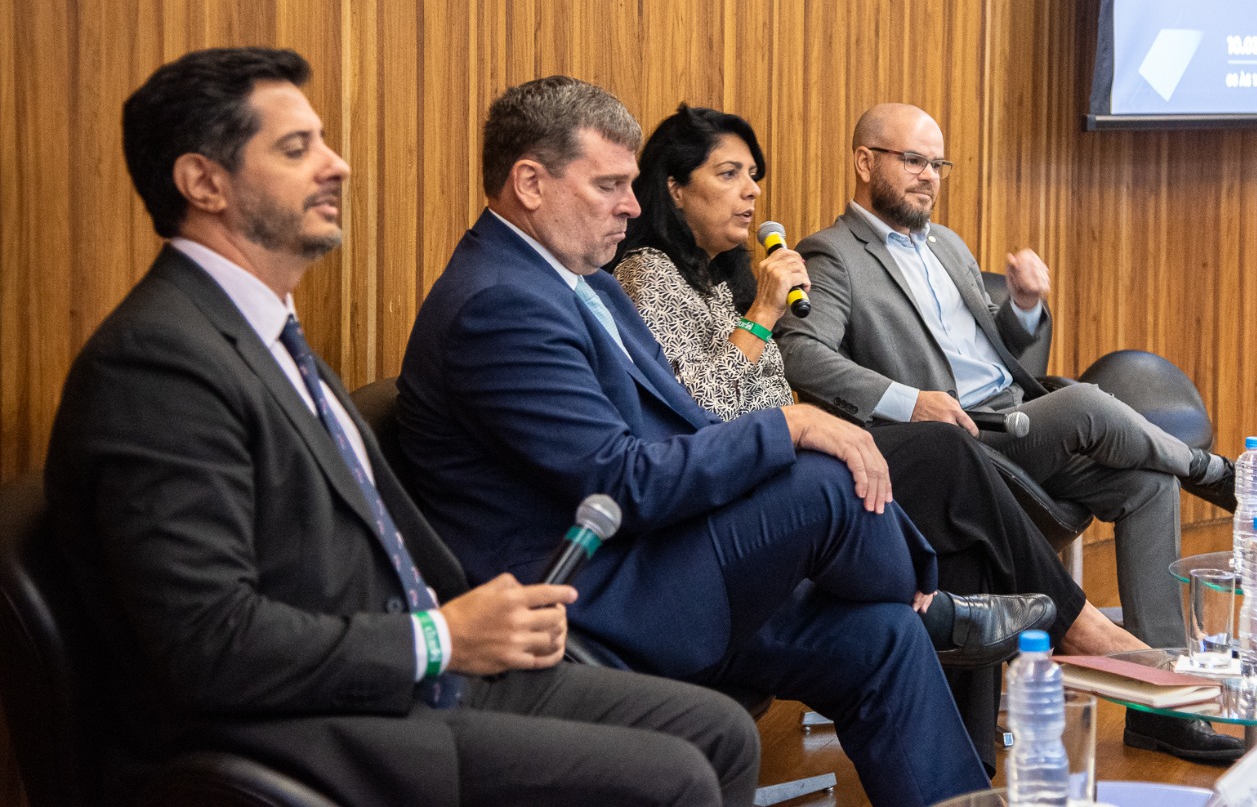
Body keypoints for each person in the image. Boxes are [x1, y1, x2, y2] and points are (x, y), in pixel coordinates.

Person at [45, 48, 762, 807]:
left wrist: (476, 627)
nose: (338, 165)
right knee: (673, 775)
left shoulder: (262, 330)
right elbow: (207, 645)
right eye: (297, 149)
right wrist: (441, 638)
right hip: (308, 723)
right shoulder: (157, 361)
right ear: (203, 183)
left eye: (323, 141)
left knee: (719, 732)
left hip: (415, 671)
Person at [396, 77, 1048, 807]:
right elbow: (623, 482)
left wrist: (783, 444)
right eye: (609, 184)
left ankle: (922, 624)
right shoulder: (499, 305)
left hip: (660, 560)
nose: (632, 204)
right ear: (529, 183)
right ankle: (935, 605)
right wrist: (787, 426)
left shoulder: (586, 284)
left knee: (882, 636)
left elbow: (685, 425)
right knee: (825, 479)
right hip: (593, 602)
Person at [611, 103, 1149, 771]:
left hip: (790, 465)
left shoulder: (725, 277)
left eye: (754, 175)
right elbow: (692, 410)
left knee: (963, 533)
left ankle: (969, 766)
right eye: (728, 174)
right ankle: (1082, 625)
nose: (752, 191)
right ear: (673, 186)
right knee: (952, 451)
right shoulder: (646, 275)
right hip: (740, 496)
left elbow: (769, 390)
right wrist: (762, 319)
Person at [775, 102, 1245, 764]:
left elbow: (1008, 359)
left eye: (937, 164)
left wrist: (1023, 307)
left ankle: (1155, 707)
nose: (929, 177)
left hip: (1015, 420)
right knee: (1084, 403)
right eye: (913, 160)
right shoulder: (832, 255)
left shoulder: (947, 245)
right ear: (863, 162)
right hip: (951, 445)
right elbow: (803, 355)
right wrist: (909, 403)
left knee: (1143, 480)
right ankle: (1217, 476)